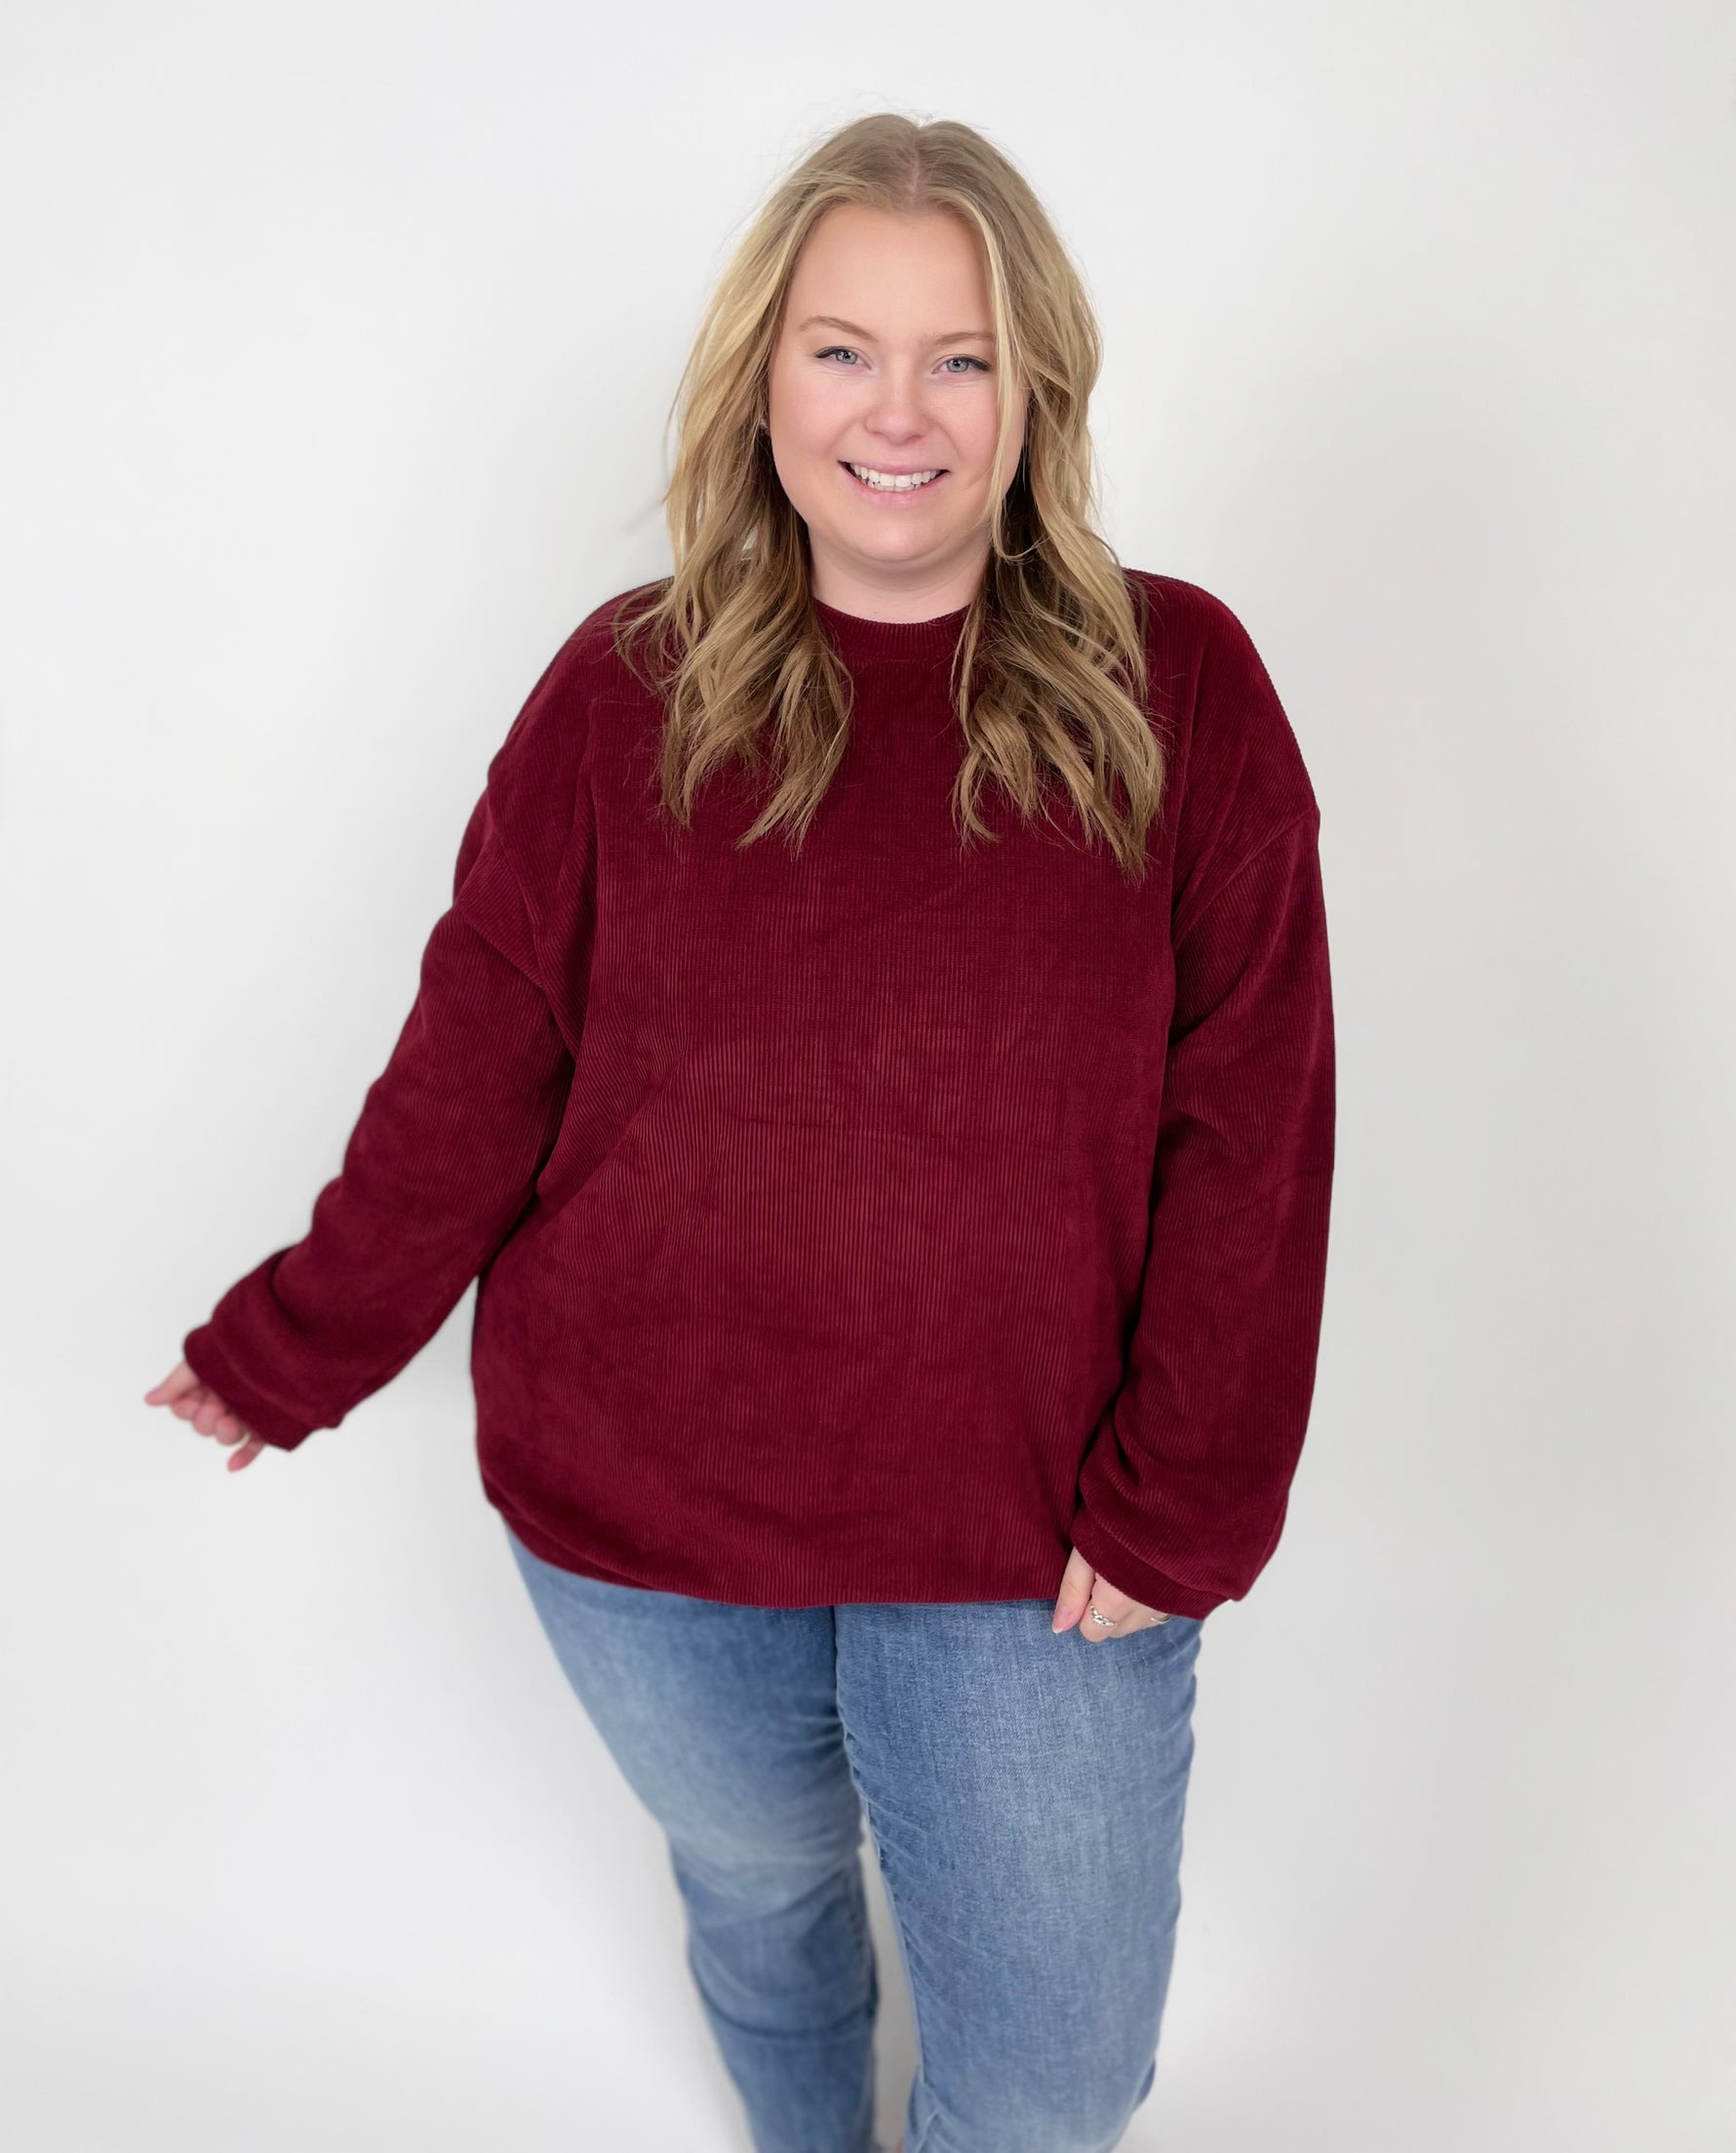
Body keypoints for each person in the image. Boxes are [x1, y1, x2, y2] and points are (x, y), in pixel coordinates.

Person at [146, 111, 1335, 2153]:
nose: (899, 412)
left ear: (1036, 389)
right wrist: (296, 1340)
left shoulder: (1183, 686)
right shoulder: (623, 692)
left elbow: (1256, 1127)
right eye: (841, 350)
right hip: (649, 1516)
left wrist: (1185, 1502)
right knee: (765, 1895)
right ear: (760, 381)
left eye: (959, 357)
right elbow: (474, 1073)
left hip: (1037, 1538)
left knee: (1047, 2088)